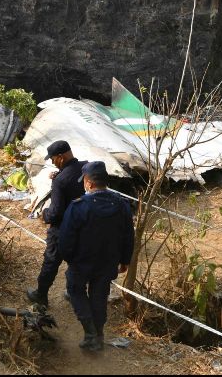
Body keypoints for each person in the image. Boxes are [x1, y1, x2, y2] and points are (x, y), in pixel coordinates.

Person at [59, 161, 134, 351]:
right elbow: (128, 234)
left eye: (84, 181)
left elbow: (66, 237)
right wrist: (125, 259)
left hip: (82, 261)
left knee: (75, 290)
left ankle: (91, 333)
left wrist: (69, 258)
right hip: (108, 261)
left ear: (89, 183)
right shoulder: (121, 204)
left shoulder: (78, 206)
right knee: (99, 296)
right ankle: (98, 335)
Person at [26, 140, 87, 307]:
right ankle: (73, 291)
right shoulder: (85, 168)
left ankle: (41, 295)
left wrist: (43, 214)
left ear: (60, 157)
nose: (53, 163)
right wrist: (59, 174)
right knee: (76, 261)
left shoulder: (60, 181)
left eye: (53, 159)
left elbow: (55, 213)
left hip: (62, 229)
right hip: (82, 226)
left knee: (51, 261)